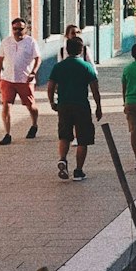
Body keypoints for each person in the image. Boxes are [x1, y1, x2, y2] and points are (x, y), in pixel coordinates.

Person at [47, 37, 102, 180]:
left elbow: (51, 86)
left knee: (64, 135)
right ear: (81, 49)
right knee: (83, 139)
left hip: (64, 106)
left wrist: (52, 102)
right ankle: (78, 171)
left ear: (67, 50)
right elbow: (95, 89)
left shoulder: (58, 67)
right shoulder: (86, 67)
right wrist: (98, 107)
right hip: (81, 106)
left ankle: (63, 159)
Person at [0, 17, 40, 144]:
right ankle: (7, 134)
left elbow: (38, 58)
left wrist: (33, 72)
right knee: (6, 106)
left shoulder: (31, 42)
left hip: (24, 79)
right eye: (15, 29)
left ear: (25, 29)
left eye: (20, 29)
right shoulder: (6, 42)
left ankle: (34, 124)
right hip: (8, 79)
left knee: (30, 106)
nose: (17, 32)